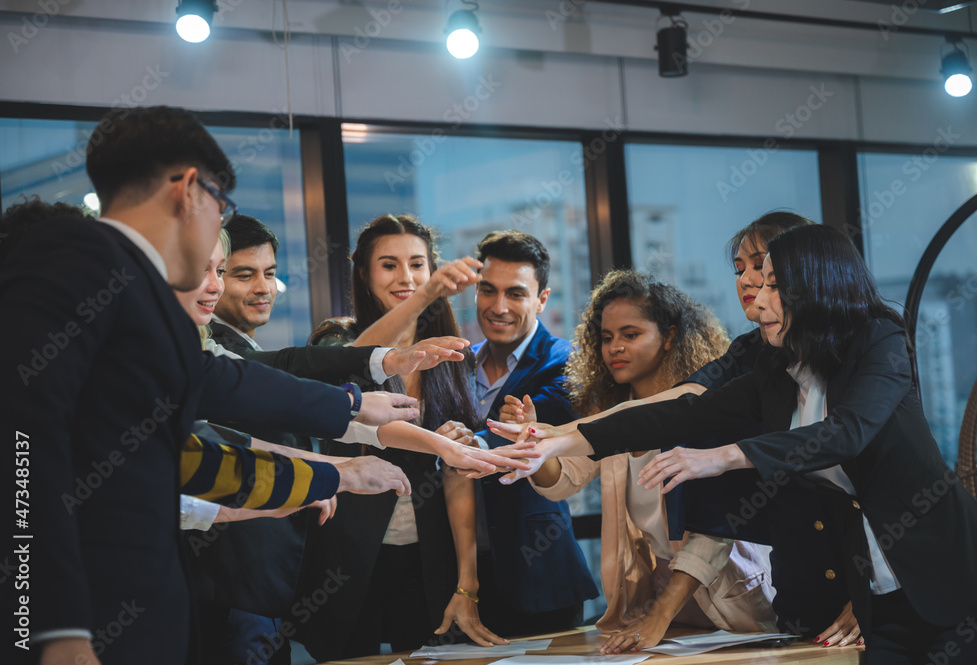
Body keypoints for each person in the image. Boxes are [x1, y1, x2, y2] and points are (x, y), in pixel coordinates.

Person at [0, 104, 439, 665]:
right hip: (78, 622)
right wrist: (51, 630)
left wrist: (335, 451)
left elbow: (197, 449)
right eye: (221, 208)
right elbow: (25, 447)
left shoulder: (141, 296)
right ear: (189, 190)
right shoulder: (72, 255)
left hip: (146, 613)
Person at [496, 224, 977, 664]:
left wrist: (725, 456)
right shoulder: (774, 370)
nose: (756, 301)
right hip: (877, 596)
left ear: (817, 286)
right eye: (754, 282)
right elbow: (684, 411)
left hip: (959, 581)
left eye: (775, 286)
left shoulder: (878, 338)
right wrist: (557, 442)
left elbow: (848, 432)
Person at [513, 270, 777, 643]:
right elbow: (562, 482)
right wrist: (534, 447)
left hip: (725, 593)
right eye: (606, 338)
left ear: (669, 337)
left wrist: (662, 611)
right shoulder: (616, 416)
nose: (614, 348)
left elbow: (717, 530)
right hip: (661, 597)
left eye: (630, 335)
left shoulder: (708, 410)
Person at [304, 214, 505, 658]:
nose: (406, 277)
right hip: (348, 559)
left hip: (427, 557)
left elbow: (459, 475)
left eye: (417, 264)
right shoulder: (335, 340)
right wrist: (427, 295)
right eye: (389, 265)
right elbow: (356, 364)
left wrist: (467, 585)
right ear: (364, 273)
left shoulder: (453, 352)